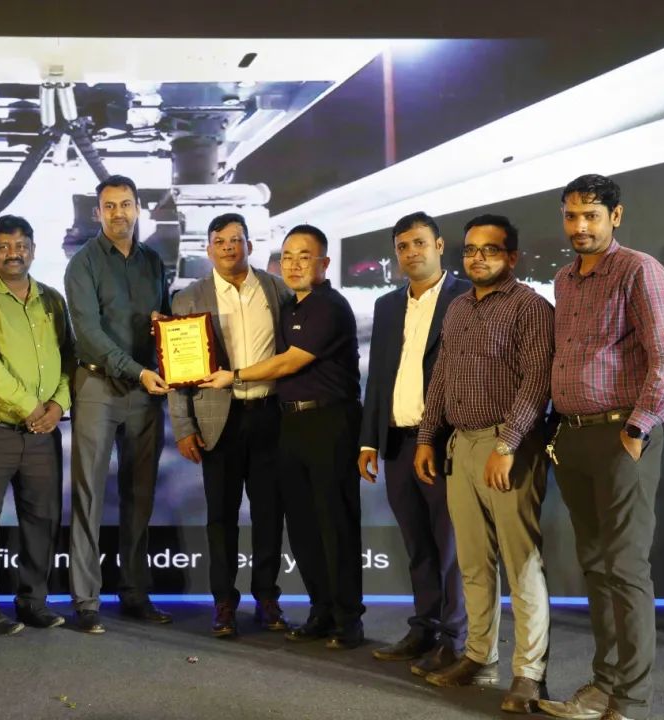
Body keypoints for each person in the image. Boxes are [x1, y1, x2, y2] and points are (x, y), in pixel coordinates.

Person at [539, 175, 664, 720]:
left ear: (615, 217)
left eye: (592, 215)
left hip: (622, 435)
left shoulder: (639, 270)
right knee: (597, 567)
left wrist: (638, 428)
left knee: (625, 570)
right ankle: (603, 686)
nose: (580, 226)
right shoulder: (564, 279)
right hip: (574, 435)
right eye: (572, 215)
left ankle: (631, 699)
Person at [413, 214, 553, 714]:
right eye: (471, 250)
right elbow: (441, 378)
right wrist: (427, 438)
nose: (478, 258)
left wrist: (508, 444)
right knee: (473, 563)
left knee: (522, 565)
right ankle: (479, 656)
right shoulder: (457, 309)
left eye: (490, 250)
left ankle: (529, 674)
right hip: (462, 445)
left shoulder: (531, 307)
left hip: (508, 447)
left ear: (512, 257)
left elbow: (538, 381)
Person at [202, 224, 365, 650]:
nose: (293, 264)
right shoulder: (292, 305)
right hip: (290, 424)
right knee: (304, 526)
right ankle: (321, 611)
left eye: (304, 256)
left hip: (329, 423)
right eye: (287, 256)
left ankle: (348, 619)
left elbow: (290, 361)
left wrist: (235, 376)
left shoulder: (330, 305)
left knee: (335, 524)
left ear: (324, 262)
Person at [167, 213, 293, 637]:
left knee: (269, 514)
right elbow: (177, 373)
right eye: (219, 241)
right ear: (209, 249)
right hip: (217, 420)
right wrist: (183, 426)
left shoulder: (277, 290)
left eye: (235, 240)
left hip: (270, 415)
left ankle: (267, 597)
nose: (227, 247)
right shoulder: (189, 299)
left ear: (249, 246)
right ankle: (223, 602)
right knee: (220, 517)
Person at [359, 212, 469, 675]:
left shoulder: (466, 296)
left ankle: (455, 638)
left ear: (439, 246)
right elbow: (378, 379)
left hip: (444, 443)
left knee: (450, 546)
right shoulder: (387, 305)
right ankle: (424, 628)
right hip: (398, 443)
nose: (411, 252)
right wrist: (368, 441)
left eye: (419, 243)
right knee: (418, 544)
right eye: (403, 246)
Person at [0, 215, 74, 635]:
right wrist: (30, 408)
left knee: (42, 520)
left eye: (21, 246)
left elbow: (69, 358)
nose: (13, 253)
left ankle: (33, 602)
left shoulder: (52, 299)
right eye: (3, 246)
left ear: (33, 250)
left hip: (43, 434)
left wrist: (58, 405)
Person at [64, 174, 172, 633]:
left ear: (137, 208)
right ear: (97, 213)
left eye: (125, 204)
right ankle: (86, 600)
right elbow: (88, 333)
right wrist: (138, 370)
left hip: (145, 391)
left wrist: (166, 331)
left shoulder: (153, 261)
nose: (118, 213)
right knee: (89, 494)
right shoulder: (83, 263)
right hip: (98, 386)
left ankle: (134, 592)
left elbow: (165, 320)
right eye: (109, 206)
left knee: (139, 494)